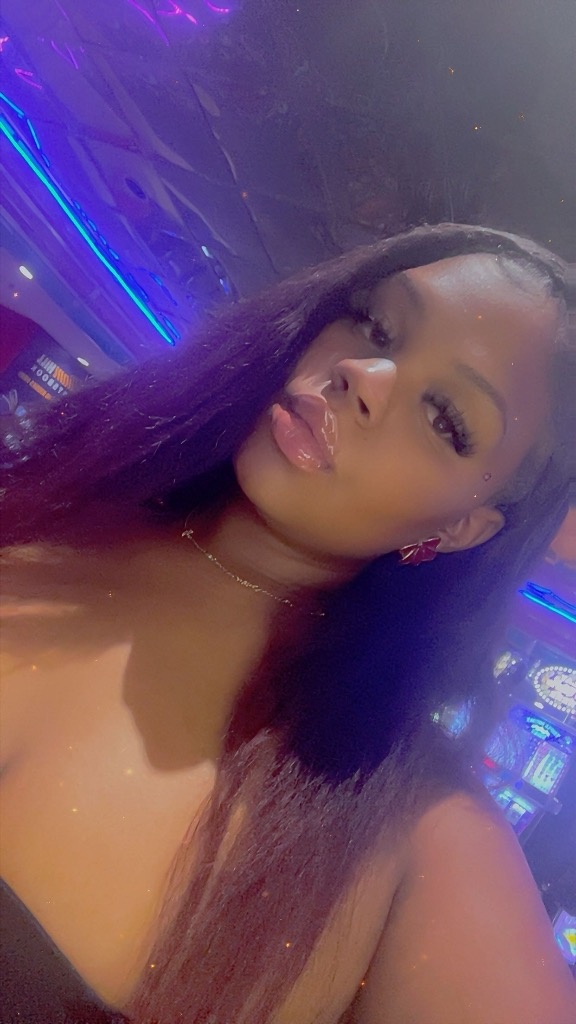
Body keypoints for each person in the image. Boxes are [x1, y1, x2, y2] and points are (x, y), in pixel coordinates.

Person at [0, 223, 575, 1024]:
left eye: (446, 417)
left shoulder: (409, 831)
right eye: (376, 325)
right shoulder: (71, 493)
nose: (363, 375)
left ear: (460, 527)